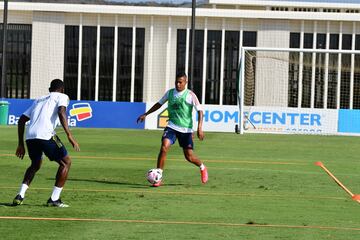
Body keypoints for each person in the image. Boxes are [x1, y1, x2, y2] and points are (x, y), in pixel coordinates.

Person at [13, 79, 80, 207]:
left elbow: (21, 120)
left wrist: (21, 144)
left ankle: (20, 195)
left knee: (35, 164)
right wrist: (69, 135)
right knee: (66, 162)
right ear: (63, 89)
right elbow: (61, 112)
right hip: (46, 135)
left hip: (30, 137)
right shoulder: (63, 96)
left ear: (49, 90)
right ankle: (54, 199)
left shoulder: (39, 99)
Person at [137, 72, 208, 187]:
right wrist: (146, 114)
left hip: (186, 130)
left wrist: (200, 128)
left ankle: (202, 167)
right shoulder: (170, 93)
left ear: (186, 82)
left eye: (180, 82)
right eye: (176, 82)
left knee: (189, 156)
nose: (178, 84)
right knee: (164, 147)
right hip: (172, 127)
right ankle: (158, 175)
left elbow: (200, 111)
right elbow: (159, 104)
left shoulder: (190, 95)